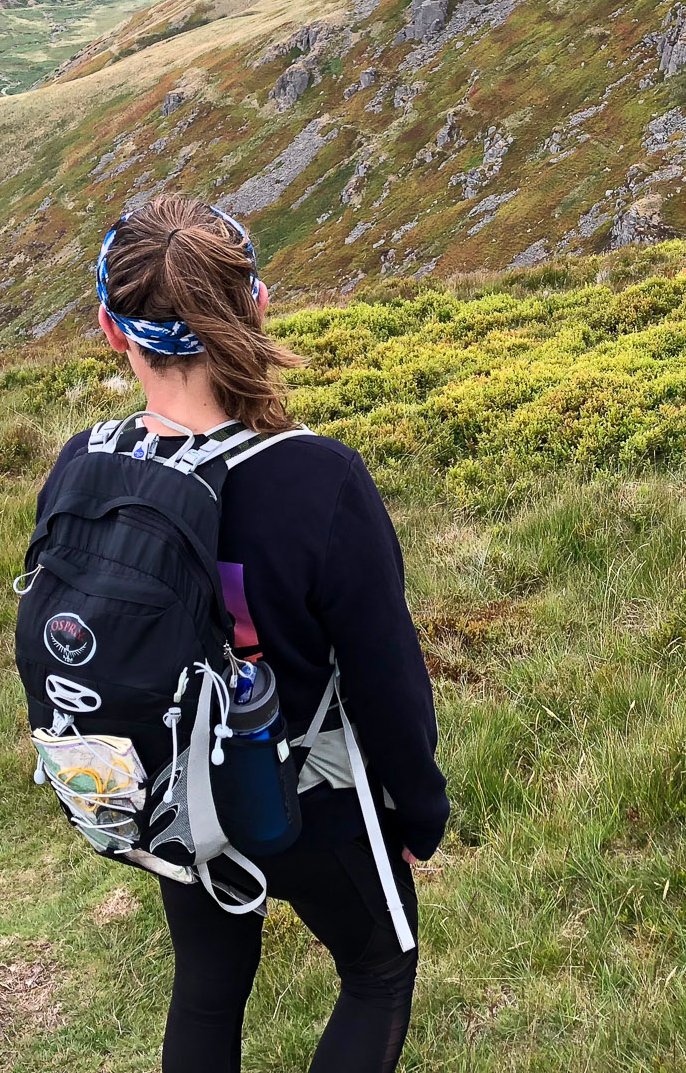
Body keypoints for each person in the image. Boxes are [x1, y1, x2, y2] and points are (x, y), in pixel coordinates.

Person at [35, 192, 448, 1073]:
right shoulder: (316, 478)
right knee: (378, 967)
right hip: (309, 799)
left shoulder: (85, 461)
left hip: (176, 796)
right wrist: (420, 808)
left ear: (114, 331)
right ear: (255, 307)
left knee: (210, 977)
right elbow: (387, 676)